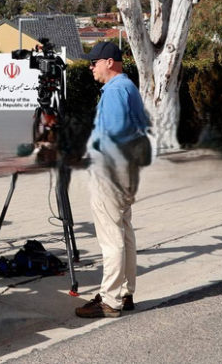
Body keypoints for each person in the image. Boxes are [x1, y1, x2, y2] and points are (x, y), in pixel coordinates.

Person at [75, 41, 150, 318]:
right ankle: (125, 293)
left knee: (111, 236)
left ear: (108, 62)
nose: (91, 68)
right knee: (123, 230)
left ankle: (110, 299)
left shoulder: (116, 90)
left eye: (93, 63)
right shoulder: (128, 87)